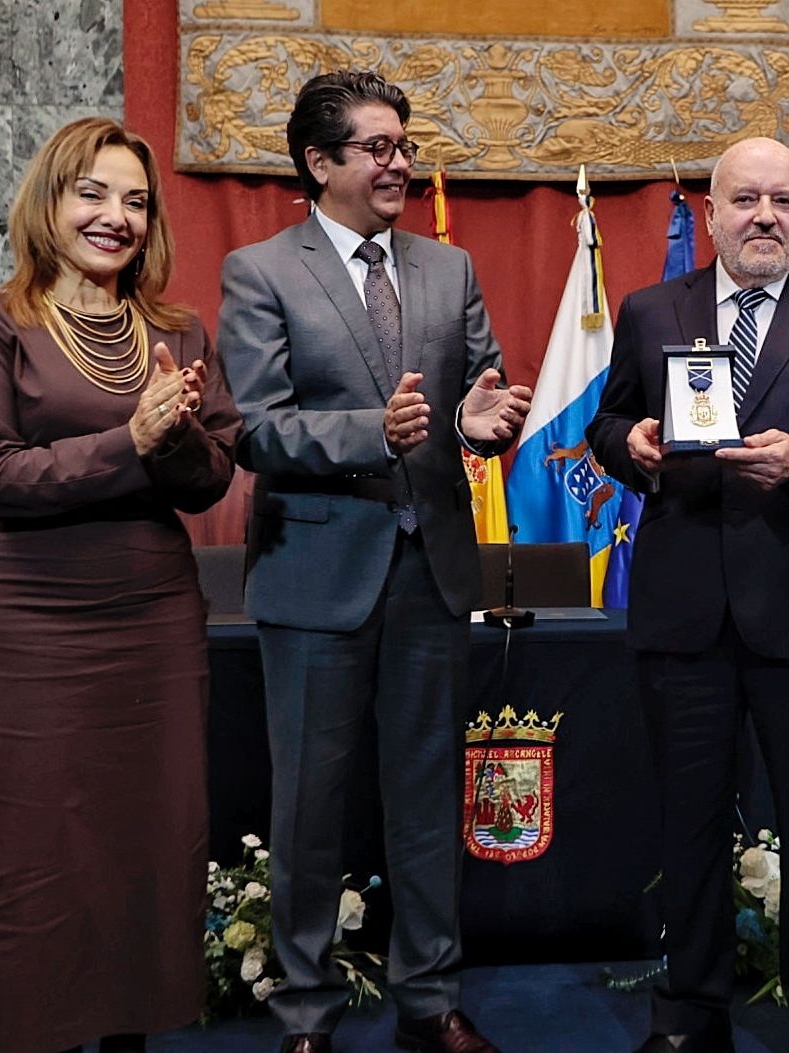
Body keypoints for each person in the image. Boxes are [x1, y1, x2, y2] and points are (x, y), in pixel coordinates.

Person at [218, 70, 531, 1053]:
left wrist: (484, 427)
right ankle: (305, 1012)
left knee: (429, 795)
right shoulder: (260, 271)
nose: (399, 163)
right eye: (378, 147)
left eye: (405, 145)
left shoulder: (448, 268)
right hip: (317, 573)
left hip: (432, 569)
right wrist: (372, 433)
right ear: (319, 162)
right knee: (310, 806)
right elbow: (255, 430)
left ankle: (429, 1002)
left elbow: (479, 392)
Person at [587, 137, 789, 1053]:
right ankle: (690, 1019)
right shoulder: (653, 308)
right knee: (687, 832)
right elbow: (606, 421)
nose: (764, 216)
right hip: (683, 613)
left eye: (782, 200)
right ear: (714, 208)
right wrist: (634, 447)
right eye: (745, 200)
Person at [0, 117, 241, 1053]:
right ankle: (41, 1033)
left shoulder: (176, 329)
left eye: (137, 201)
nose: (117, 217)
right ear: (50, 204)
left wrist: (179, 436)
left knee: (151, 839)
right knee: (42, 850)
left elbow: (213, 476)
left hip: (151, 608)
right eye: (94, 194)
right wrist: (131, 441)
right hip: (35, 617)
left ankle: (130, 1034)